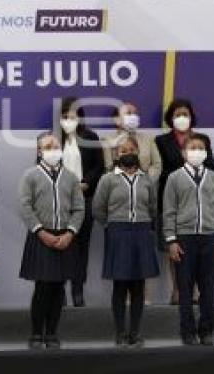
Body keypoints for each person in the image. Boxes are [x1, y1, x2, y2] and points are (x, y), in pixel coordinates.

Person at [19, 132, 84, 349]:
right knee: (43, 287)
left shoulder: (71, 177)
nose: (53, 150)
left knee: (59, 288)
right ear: (39, 151)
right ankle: (37, 333)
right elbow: (25, 206)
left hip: (65, 237)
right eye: (47, 146)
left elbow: (79, 208)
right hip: (42, 236)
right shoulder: (31, 175)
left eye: (56, 146)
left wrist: (70, 233)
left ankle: (52, 333)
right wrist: (41, 232)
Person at [93, 136, 159, 347]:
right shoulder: (107, 179)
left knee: (138, 286)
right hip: (118, 232)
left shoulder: (146, 179)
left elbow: (153, 207)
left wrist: (144, 223)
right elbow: (98, 209)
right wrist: (112, 225)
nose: (127, 153)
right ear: (116, 155)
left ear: (138, 153)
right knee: (120, 286)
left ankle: (136, 333)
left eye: (131, 149)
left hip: (141, 231)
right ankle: (120, 333)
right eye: (122, 150)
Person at [163, 135, 214, 346]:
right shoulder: (174, 178)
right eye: (193, 147)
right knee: (185, 288)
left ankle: (206, 330)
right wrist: (172, 241)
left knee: (207, 288)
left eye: (201, 148)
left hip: (209, 238)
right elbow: (169, 212)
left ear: (206, 153)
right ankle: (187, 332)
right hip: (184, 239)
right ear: (184, 152)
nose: (197, 151)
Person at [155, 98, 214, 304]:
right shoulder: (161, 141)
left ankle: (196, 291)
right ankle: (178, 291)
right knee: (175, 247)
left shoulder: (203, 139)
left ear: (191, 116)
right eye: (177, 114)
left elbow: (211, 168)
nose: (182, 118)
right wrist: (182, 173)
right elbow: (160, 171)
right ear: (171, 118)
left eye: (185, 114)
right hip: (172, 199)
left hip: (199, 201)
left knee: (198, 248)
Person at [57, 96, 103, 307]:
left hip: (84, 199)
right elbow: (41, 165)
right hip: (58, 202)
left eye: (73, 116)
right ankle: (60, 292)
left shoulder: (91, 137)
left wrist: (86, 183)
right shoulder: (53, 139)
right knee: (61, 246)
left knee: (81, 247)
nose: (69, 120)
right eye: (65, 116)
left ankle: (78, 290)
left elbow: (98, 166)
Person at [101, 102, 162, 180]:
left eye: (135, 114)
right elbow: (108, 168)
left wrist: (144, 181)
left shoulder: (148, 139)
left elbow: (157, 165)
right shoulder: (107, 140)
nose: (133, 116)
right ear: (117, 119)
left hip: (145, 185)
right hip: (118, 186)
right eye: (129, 113)